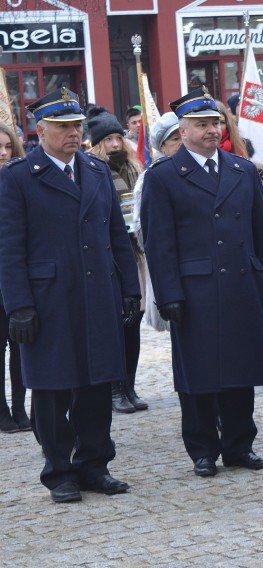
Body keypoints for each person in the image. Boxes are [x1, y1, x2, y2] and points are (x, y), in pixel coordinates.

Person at [0, 87, 140, 503]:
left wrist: (129, 288)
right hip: (49, 299)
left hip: (98, 292)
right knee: (52, 388)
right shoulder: (18, 178)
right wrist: (19, 306)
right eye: (63, 127)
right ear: (40, 131)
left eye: (77, 126)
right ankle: (59, 470)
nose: (74, 134)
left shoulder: (96, 172)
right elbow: (9, 248)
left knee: (98, 384)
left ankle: (95, 464)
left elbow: (117, 234)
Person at [140, 86, 263, 478]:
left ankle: (240, 445)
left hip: (241, 282)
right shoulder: (165, 176)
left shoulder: (240, 169)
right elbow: (159, 243)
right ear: (182, 130)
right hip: (194, 289)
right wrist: (168, 293)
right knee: (198, 374)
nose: (210, 130)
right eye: (201, 124)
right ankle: (202, 449)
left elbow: (260, 229)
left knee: (242, 368)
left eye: (215, 122)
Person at [86, 107, 148, 413]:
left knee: (133, 320)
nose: (115, 144)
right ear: (97, 143)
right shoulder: (94, 171)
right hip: (109, 256)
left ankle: (129, 385)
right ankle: (114, 389)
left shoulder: (134, 168)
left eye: (118, 138)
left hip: (134, 252)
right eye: (108, 139)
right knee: (114, 325)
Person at [131, 112, 182, 334]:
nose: (181, 144)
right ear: (162, 146)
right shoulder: (152, 178)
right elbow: (144, 232)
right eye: (174, 140)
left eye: (183, 136)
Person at [0, 123, 28, 433]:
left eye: (8, 147)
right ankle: (1, 409)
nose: (4, 153)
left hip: (17, 276)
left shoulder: (21, 181)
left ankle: (20, 406)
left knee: (21, 345)